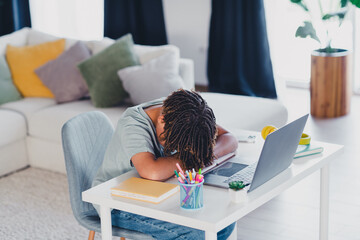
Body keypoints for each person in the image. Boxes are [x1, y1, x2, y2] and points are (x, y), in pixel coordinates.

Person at [92, 89, 238, 239]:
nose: (180, 149)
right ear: (162, 120)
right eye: (175, 144)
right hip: (117, 202)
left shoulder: (186, 114)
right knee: (197, 235)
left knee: (224, 224)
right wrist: (193, 157)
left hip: (159, 193)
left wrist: (204, 154)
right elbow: (152, 172)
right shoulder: (133, 123)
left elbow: (229, 138)